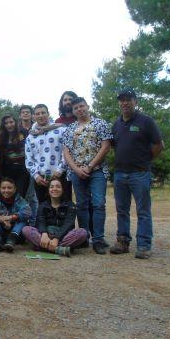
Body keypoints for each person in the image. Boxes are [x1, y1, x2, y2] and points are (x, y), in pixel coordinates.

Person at [110, 88, 164, 259]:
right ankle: (123, 241)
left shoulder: (146, 121)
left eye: (129, 99)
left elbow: (158, 145)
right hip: (120, 174)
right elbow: (114, 146)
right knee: (122, 210)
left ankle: (144, 245)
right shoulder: (117, 124)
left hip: (140, 173)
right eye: (122, 100)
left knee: (143, 211)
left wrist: (146, 161)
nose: (125, 103)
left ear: (136, 101)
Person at [62, 97, 112, 255]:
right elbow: (66, 151)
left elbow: (105, 147)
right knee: (82, 205)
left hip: (97, 170)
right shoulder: (70, 129)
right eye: (76, 108)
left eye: (81, 106)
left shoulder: (100, 124)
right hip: (77, 173)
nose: (79, 110)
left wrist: (90, 166)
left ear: (87, 106)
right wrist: (76, 169)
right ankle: (83, 237)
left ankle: (98, 239)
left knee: (98, 204)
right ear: (73, 111)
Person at [22, 177, 88, 257]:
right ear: (48, 190)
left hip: (63, 236)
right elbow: (40, 221)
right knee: (26, 229)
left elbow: (68, 224)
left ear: (63, 189)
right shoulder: (43, 205)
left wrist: (57, 238)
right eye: (52, 187)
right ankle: (59, 249)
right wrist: (44, 233)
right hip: (46, 236)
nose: (54, 189)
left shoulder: (71, 205)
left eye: (58, 186)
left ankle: (44, 247)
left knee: (82, 232)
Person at [25, 104, 66, 204]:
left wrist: (60, 170)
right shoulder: (30, 137)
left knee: (64, 205)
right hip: (40, 179)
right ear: (34, 117)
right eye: (37, 114)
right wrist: (36, 176)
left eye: (43, 112)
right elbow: (29, 159)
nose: (40, 115)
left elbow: (67, 153)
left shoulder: (61, 130)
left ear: (48, 114)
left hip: (60, 175)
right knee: (44, 208)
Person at [0, 177, 31, 253]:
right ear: (0, 189)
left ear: (15, 189)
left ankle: (12, 239)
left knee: (23, 219)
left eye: (9, 188)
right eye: (3, 188)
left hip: (16, 233)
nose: (6, 190)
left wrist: (11, 217)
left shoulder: (20, 200)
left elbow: (27, 212)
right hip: (0, 230)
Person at [0, 113, 30, 197]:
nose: (9, 125)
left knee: (21, 194)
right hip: (7, 169)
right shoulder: (1, 136)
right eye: (6, 123)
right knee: (8, 194)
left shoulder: (23, 132)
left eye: (11, 122)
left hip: (23, 169)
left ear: (15, 122)